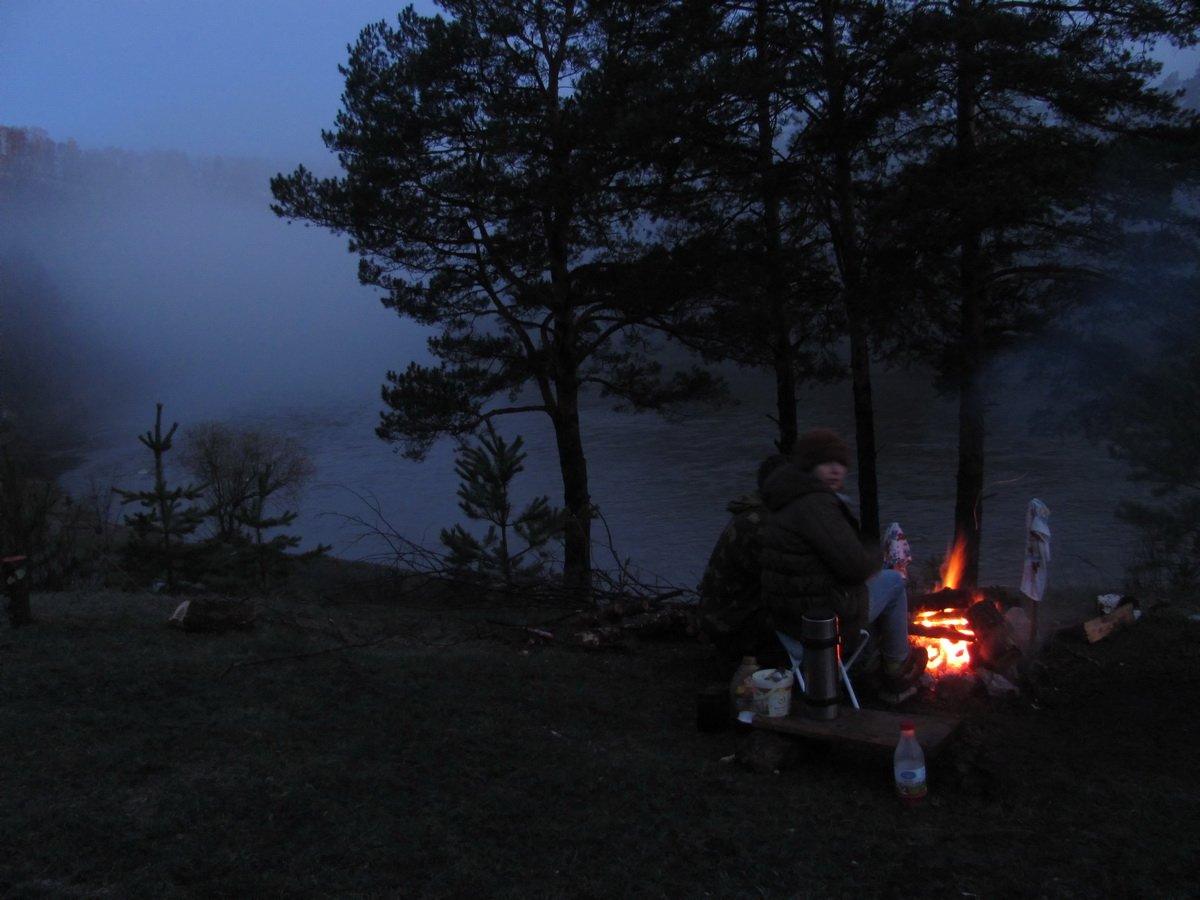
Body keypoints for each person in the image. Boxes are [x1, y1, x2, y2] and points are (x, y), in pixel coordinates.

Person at [758, 429, 926, 700]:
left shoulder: (785, 499)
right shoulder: (816, 505)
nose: (835, 470)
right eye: (826, 463)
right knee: (893, 581)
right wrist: (877, 554)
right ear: (809, 466)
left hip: (787, 621)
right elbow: (855, 566)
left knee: (866, 588)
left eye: (840, 464)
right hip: (820, 622)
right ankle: (897, 669)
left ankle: (869, 663)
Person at [696, 455, 792, 673]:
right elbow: (785, 579)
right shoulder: (760, 524)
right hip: (731, 623)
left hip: (728, 614)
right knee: (809, 617)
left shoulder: (759, 514)